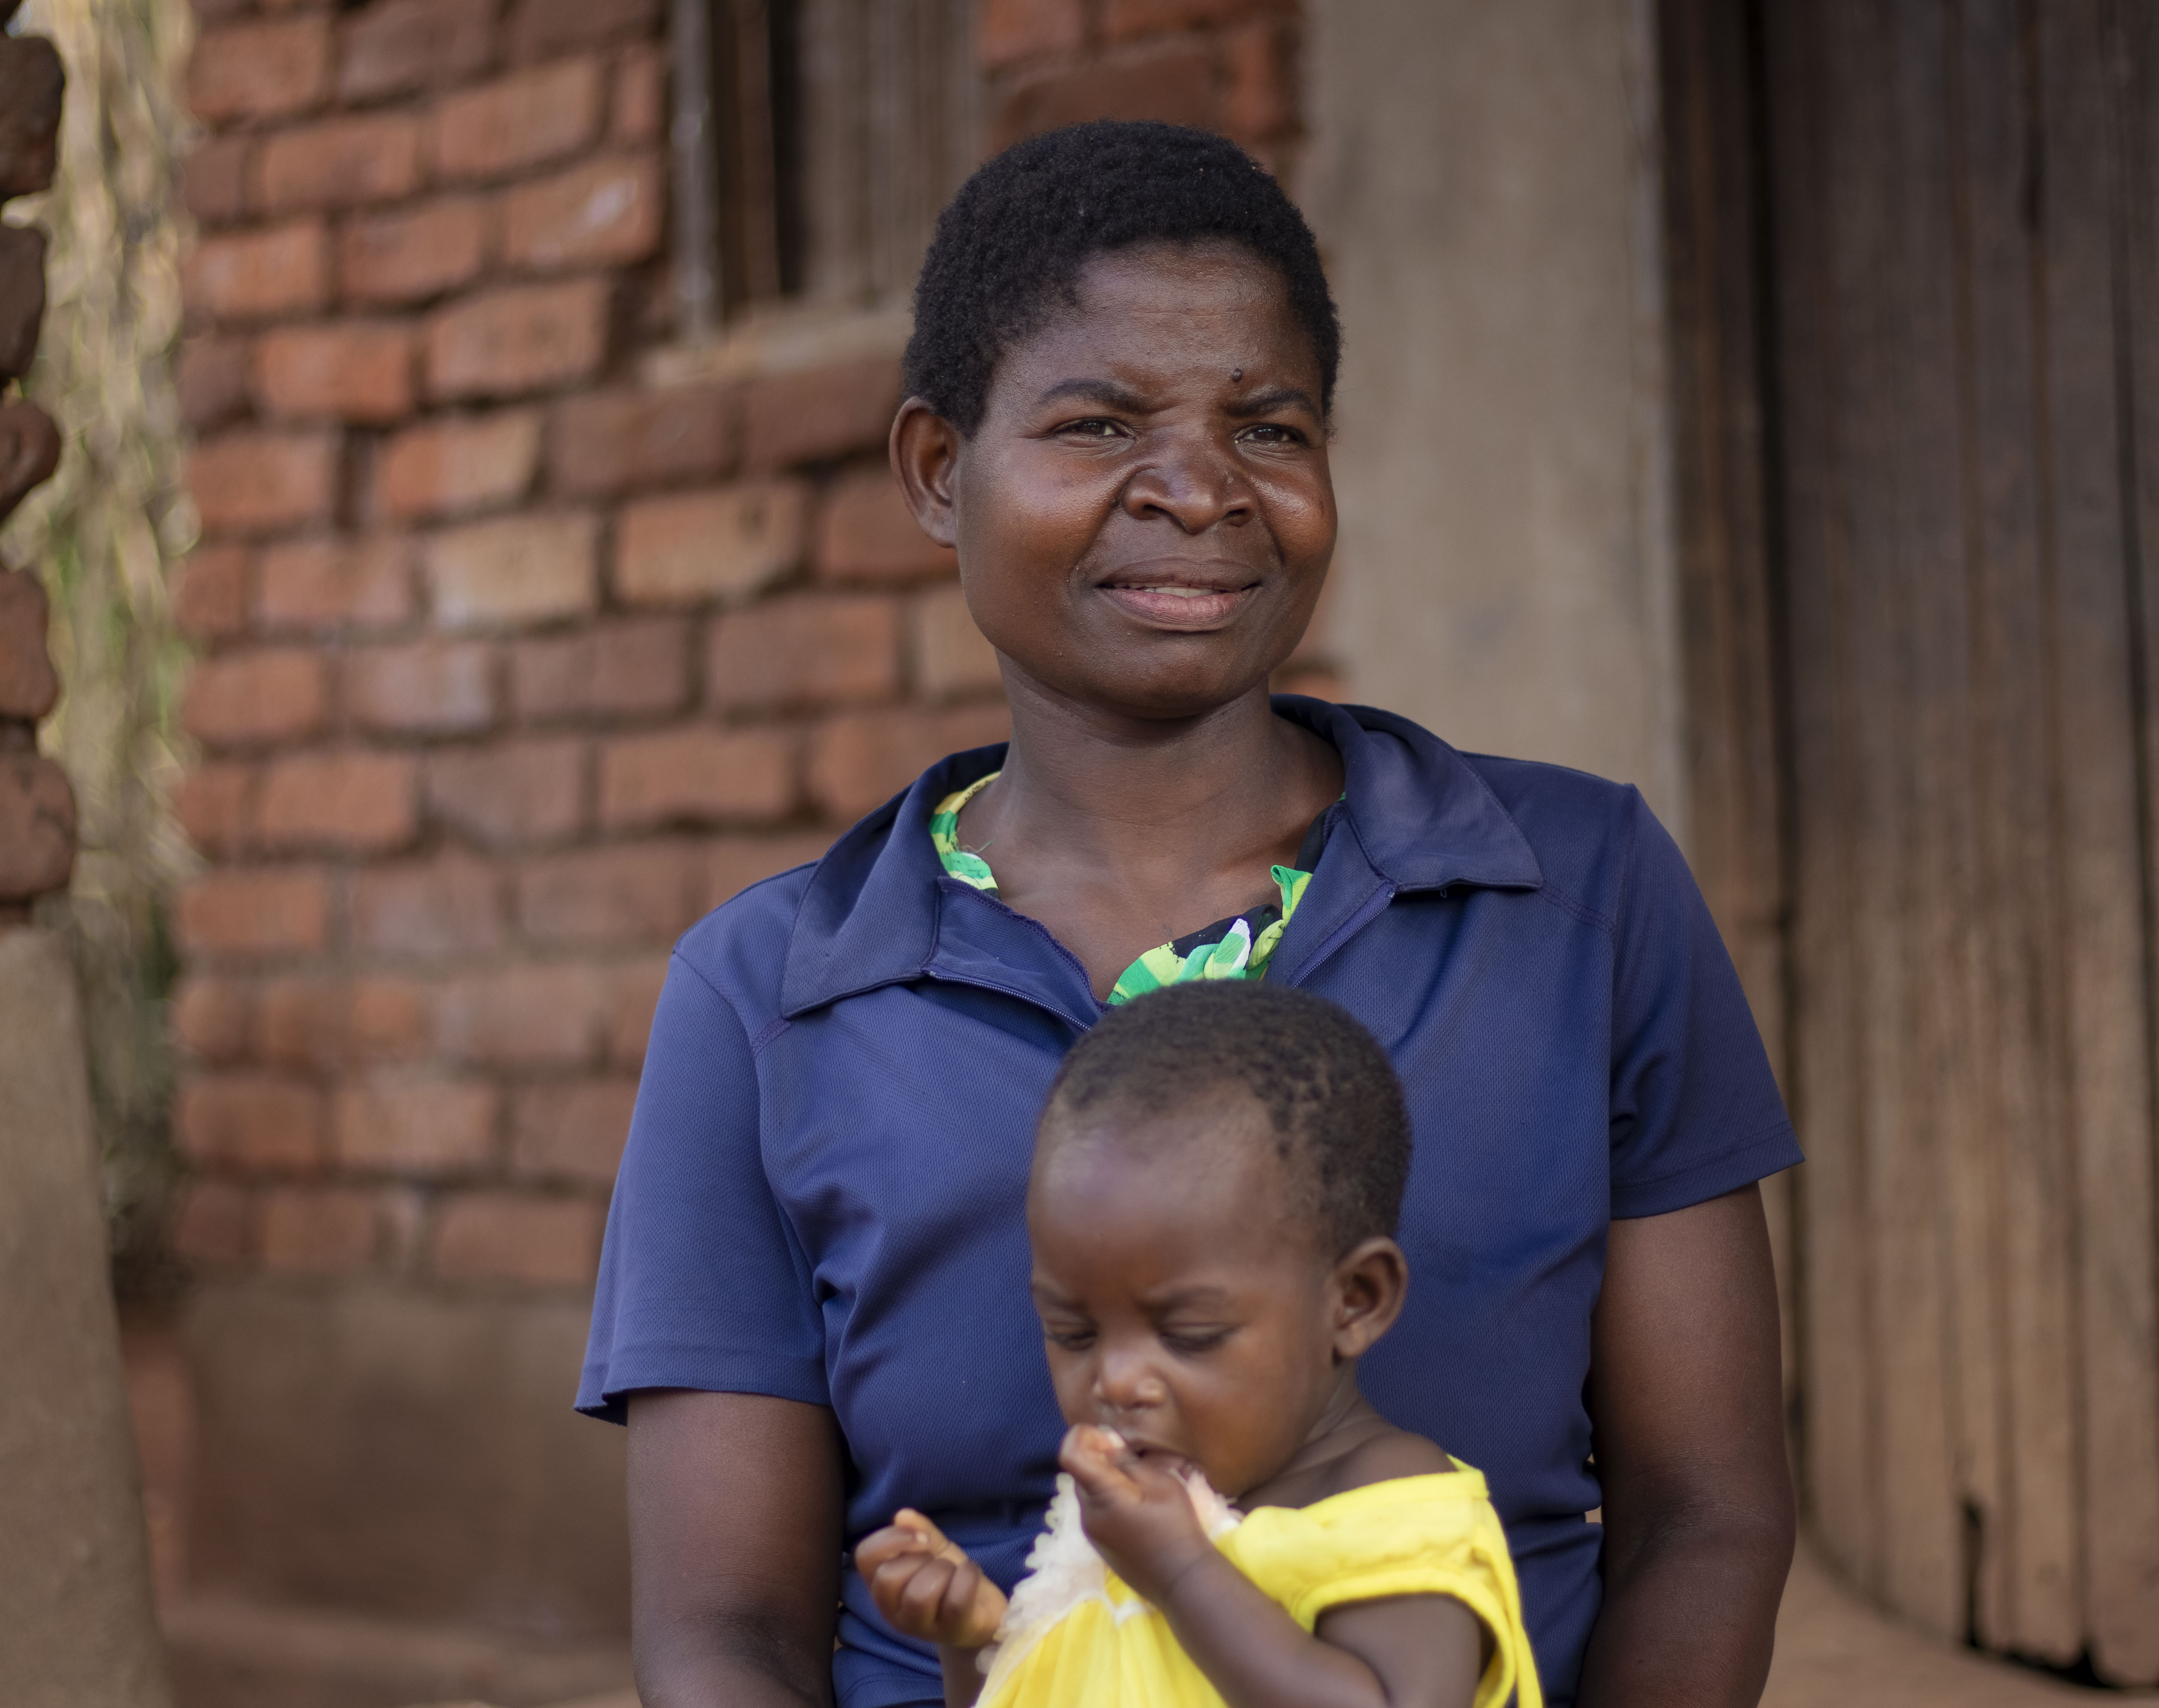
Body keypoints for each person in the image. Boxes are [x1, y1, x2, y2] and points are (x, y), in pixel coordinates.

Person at [581, 120, 1800, 1708]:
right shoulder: (770, 995)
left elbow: (1706, 1518)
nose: (1201, 490)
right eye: (1099, 425)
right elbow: (725, 1631)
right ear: (941, 474)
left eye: (1271, 429)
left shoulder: (1575, 891)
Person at [855, 982, 1542, 1708]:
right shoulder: (1120, 1541)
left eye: (1189, 1336)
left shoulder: (1387, 1497)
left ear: (1354, 1301)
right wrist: (976, 1644)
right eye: (1073, 1333)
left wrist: (1181, 1571)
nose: (1116, 1383)